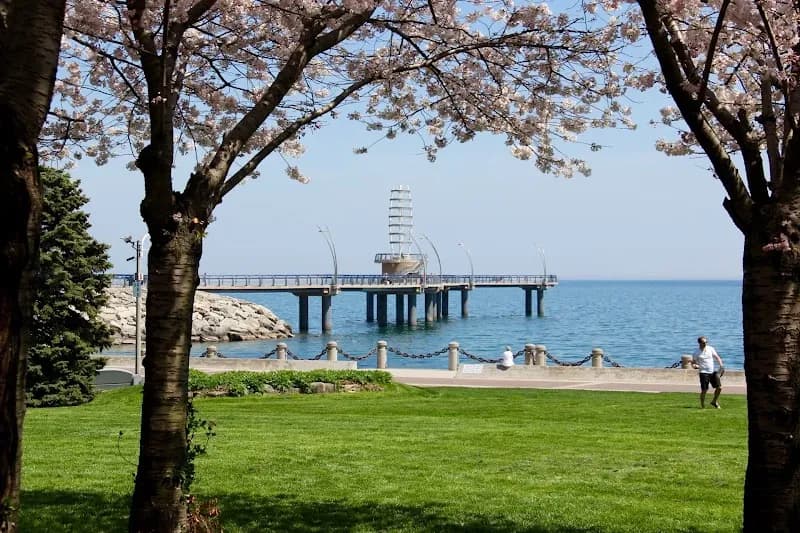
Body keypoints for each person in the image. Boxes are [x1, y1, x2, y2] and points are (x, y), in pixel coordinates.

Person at [692, 336, 724, 409]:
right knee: (704, 390)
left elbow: (717, 357)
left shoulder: (711, 349)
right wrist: (695, 366)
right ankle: (702, 406)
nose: (705, 344)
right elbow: (693, 363)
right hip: (703, 372)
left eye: (706, 342)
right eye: (703, 342)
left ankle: (714, 401)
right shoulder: (696, 352)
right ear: (699, 343)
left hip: (712, 372)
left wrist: (721, 365)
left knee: (719, 388)